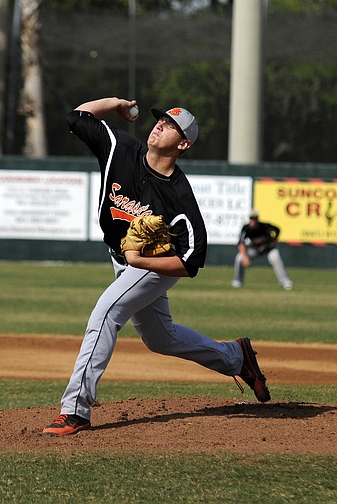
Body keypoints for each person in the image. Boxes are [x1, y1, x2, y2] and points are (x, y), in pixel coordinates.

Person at [43, 97, 271, 436]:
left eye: (171, 125)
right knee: (161, 339)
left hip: (152, 266)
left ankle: (75, 410)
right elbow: (76, 116)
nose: (160, 125)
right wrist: (116, 104)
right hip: (121, 259)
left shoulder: (178, 194)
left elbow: (191, 259)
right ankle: (236, 357)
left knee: (105, 314)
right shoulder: (119, 147)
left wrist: (141, 261)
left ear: (183, 144)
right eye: (160, 120)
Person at [232, 211, 293, 290]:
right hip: (255, 249)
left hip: (268, 248)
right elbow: (241, 243)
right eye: (251, 218)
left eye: (254, 218)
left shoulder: (264, 226)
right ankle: (238, 281)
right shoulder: (246, 228)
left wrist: (275, 240)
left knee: (275, 258)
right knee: (239, 258)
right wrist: (245, 257)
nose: (253, 220)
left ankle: (284, 281)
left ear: (257, 218)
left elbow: (277, 230)